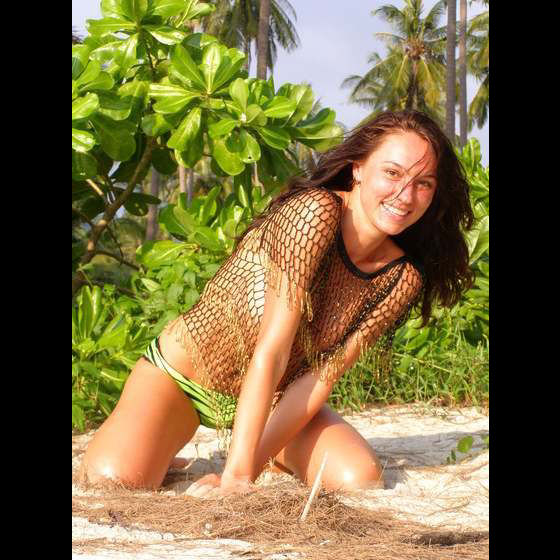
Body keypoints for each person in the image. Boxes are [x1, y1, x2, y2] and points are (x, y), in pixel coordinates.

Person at [79, 110, 474, 497]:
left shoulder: (401, 278)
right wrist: (235, 476)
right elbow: (273, 349)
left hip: (274, 403)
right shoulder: (314, 213)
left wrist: (246, 469)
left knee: (360, 478)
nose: (406, 195)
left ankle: (260, 454)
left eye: (423, 183)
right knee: (113, 483)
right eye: (392, 173)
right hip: (183, 381)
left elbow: (320, 378)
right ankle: (160, 443)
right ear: (358, 169)